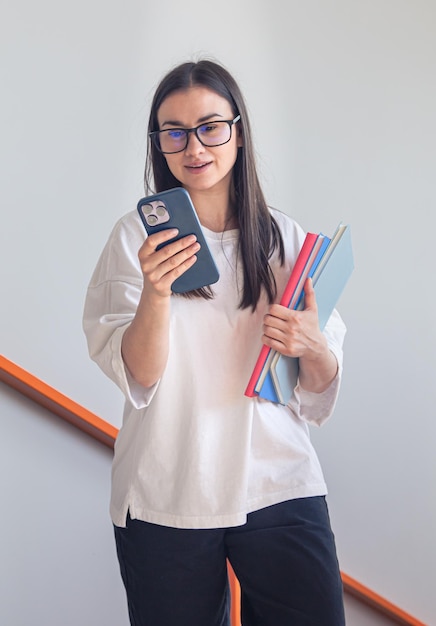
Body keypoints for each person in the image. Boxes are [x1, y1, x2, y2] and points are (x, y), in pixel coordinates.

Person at [83, 59, 347, 626]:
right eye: (173, 131)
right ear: (158, 143)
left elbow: (318, 387)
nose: (193, 147)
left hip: (279, 480)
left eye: (209, 126)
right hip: (167, 488)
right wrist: (156, 292)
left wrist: (314, 346)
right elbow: (140, 374)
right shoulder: (135, 237)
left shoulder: (285, 238)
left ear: (238, 130)